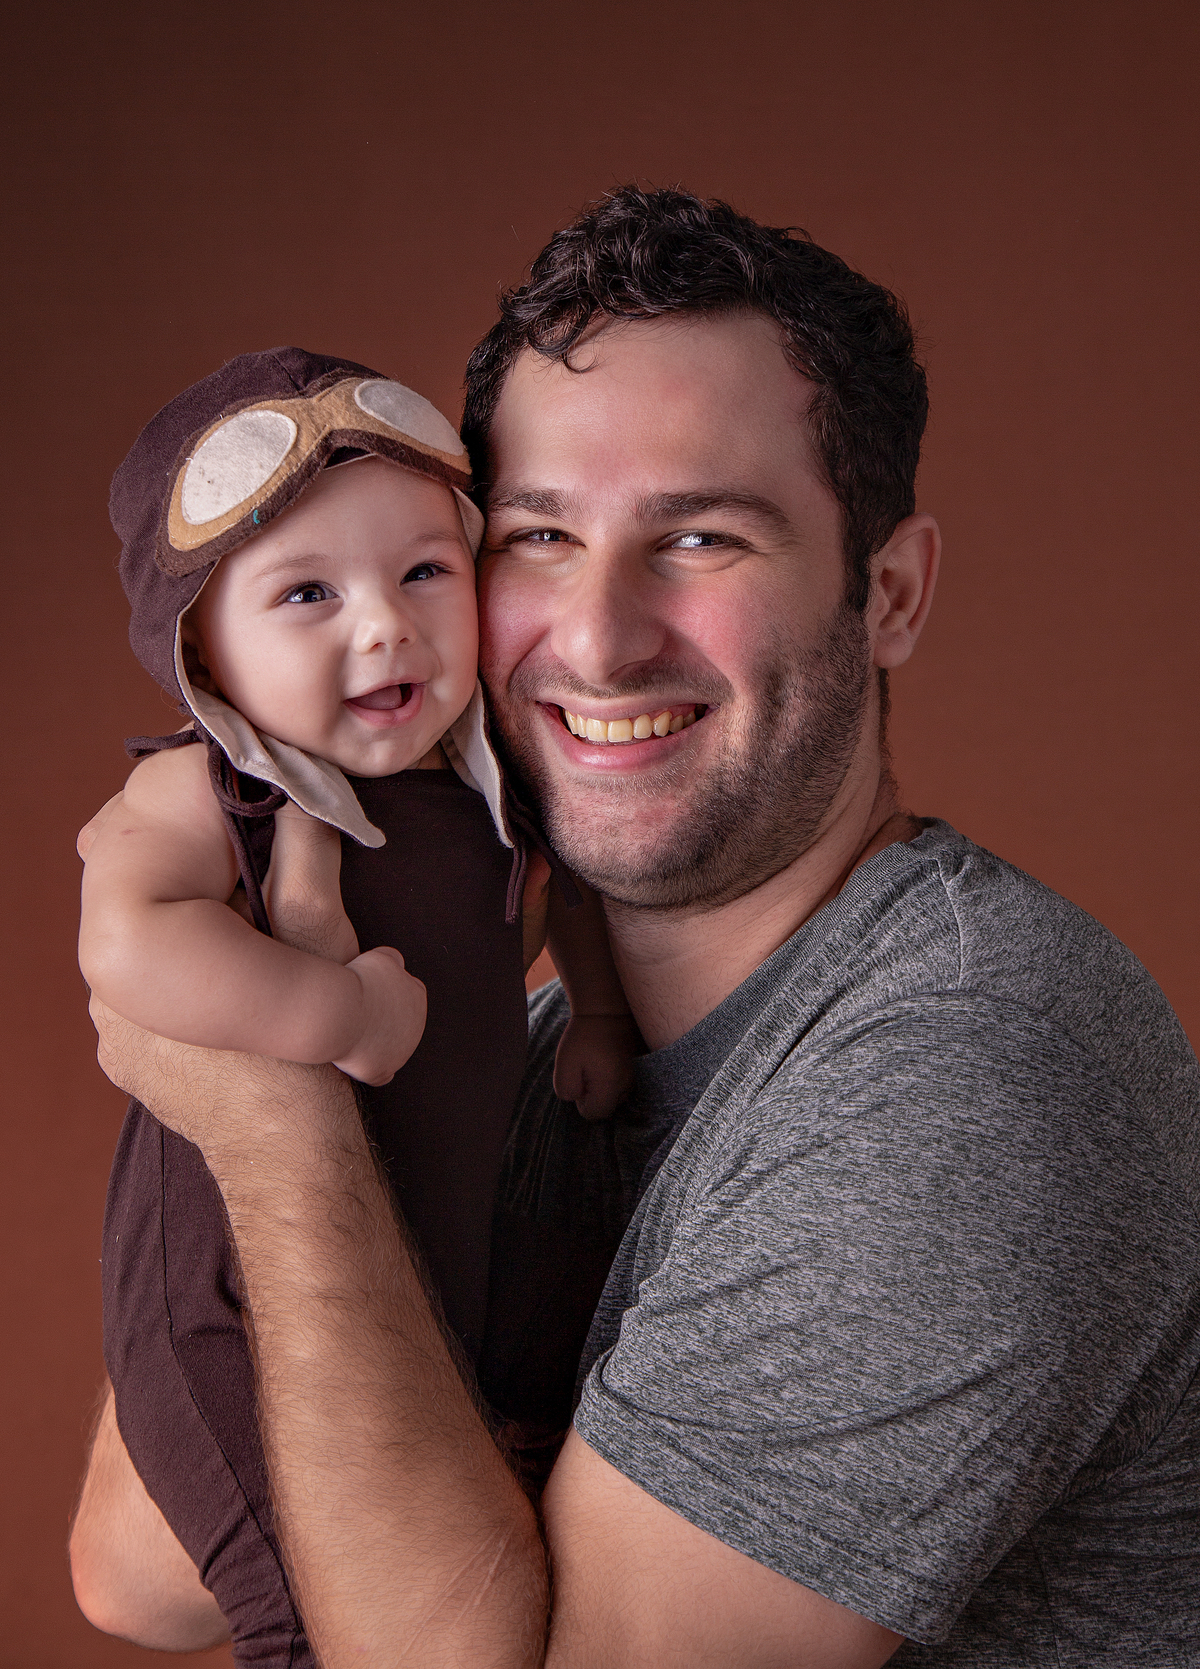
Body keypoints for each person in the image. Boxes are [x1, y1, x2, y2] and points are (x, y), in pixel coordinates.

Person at [71, 188, 1200, 1666]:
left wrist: (279, 1118)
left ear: (890, 592)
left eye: (704, 537)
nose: (599, 640)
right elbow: (150, 1573)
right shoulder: (528, 1040)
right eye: (537, 535)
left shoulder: (964, 1069)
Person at [78, 348, 634, 1667]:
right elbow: (127, 943)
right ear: (202, 648)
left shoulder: (486, 784)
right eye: (308, 593)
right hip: (227, 1269)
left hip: (420, 1246)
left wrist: (601, 1014)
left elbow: (573, 892)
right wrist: (329, 1014)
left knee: (406, 1500)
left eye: (426, 572)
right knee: (291, 1576)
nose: (383, 626)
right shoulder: (222, 790)